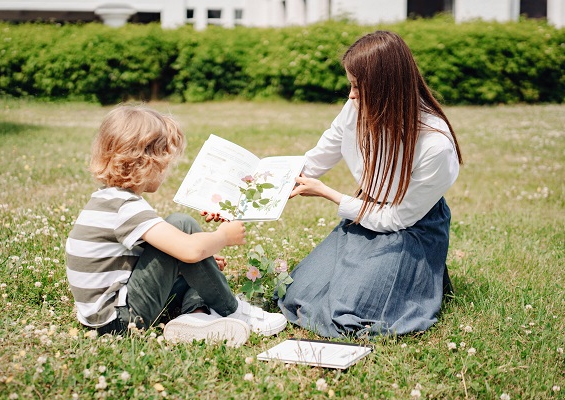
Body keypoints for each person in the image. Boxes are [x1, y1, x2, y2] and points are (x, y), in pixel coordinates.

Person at [277, 31, 462, 338]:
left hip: (409, 230)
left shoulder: (435, 145)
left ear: (387, 89)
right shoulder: (355, 109)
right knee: (296, 296)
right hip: (365, 214)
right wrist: (257, 184)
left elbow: (396, 218)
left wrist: (328, 194)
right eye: (351, 84)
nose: (350, 95)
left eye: (358, 87)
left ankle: (417, 279)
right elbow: (316, 159)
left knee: (347, 316)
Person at [65, 105, 286, 347]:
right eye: (166, 161)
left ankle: (196, 317)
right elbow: (189, 250)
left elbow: (146, 258)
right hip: (120, 323)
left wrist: (203, 262)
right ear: (148, 162)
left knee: (190, 253)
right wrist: (222, 236)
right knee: (182, 226)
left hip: (106, 317)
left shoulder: (108, 199)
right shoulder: (125, 206)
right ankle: (232, 310)